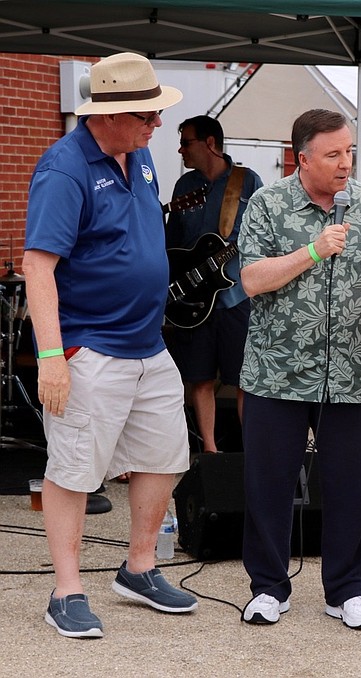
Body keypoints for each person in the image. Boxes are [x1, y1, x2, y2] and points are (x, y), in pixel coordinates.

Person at [23, 52, 198, 639]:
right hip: (90, 346)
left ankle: (140, 567)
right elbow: (38, 266)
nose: (158, 125)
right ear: (109, 114)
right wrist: (52, 357)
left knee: (164, 456)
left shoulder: (138, 153)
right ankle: (66, 590)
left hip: (148, 344)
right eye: (148, 114)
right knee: (73, 471)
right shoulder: (63, 171)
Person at [237, 109, 361, 630]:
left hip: (351, 376)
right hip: (275, 374)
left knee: (351, 487)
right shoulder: (267, 203)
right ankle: (267, 588)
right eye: (333, 155)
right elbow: (253, 279)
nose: (346, 163)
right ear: (301, 158)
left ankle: (349, 591)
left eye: (349, 151)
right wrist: (313, 249)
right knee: (269, 484)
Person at [165, 115, 263, 454]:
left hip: (236, 296)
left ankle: (251, 451)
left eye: (186, 142)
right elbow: (172, 244)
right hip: (192, 300)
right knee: (199, 378)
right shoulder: (184, 187)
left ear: (209, 143)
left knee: (243, 380)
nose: (181, 150)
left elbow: (263, 235)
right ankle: (209, 450)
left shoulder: (247, 182)